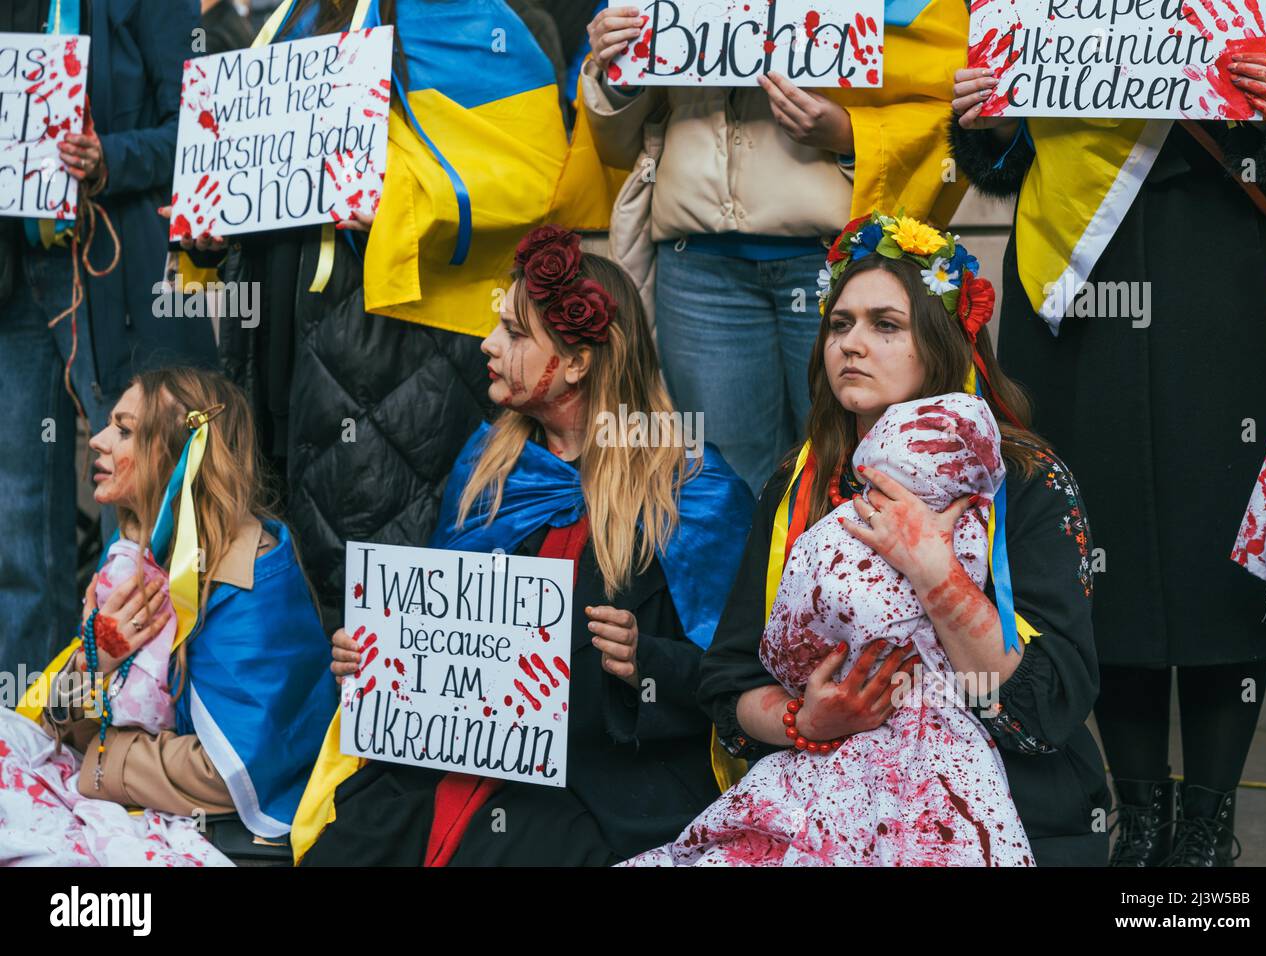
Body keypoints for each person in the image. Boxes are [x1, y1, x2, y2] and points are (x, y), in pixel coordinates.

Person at [949, 19, 1266, 866]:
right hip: (1074, 281)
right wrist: (986, 127)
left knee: (1221, 550)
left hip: (1222, 257)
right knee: (1101, 550)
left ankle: (1209, 826)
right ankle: (1137, 818)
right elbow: (1002, 161)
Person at [292, 228, 754, 866]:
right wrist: (375, 656)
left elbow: (744, 677)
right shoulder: (491, 464)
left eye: (513, 333)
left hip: (597, 777)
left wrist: (647, 662)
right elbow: (436, 634)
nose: (487, 345)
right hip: (445, 762)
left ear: (576, 362)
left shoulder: (693, 492)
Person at [695, 214, 1111, 867]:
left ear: (942, 344)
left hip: (1011, 805)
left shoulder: (1026, 481)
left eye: (885, 325)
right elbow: (728, 678)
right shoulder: (798, 483)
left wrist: (933, 569)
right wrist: (804, 722)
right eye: (840, 324)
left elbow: (1046, 708)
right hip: (829, 799)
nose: (850, 344)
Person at [202, 0, 608, 630]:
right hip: (282, 323)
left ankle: (368, 718)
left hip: (400, 341)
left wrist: (403, 204)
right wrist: (209, 226)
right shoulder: (292, 18)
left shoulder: (476, 20)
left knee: (379, 569)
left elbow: (535, 176)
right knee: (289, 554)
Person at [580, 1, 970, 494]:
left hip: (835, 264)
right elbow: (616, 147)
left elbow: (951, 97)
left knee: (861, 466)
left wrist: (851, 134)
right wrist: (620, 72)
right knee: (725, 481)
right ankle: (742, 576)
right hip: (697, 265)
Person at [0, 368, 337, 865]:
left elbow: (237, 771)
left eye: (123, 429)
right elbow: (66, 725)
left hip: (214, 828)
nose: (96, 440)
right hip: (133, 793)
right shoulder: (136, 548)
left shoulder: (250, 576)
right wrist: (96, 662)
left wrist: (102, 759)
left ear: (174, 453)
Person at [0, 0, 216, 679]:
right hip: (18, 276)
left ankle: (151, 712)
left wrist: (108, 159)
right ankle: (29, 726)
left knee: (151, 497)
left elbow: (201, 127)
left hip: (118, 271)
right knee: (19, 515)